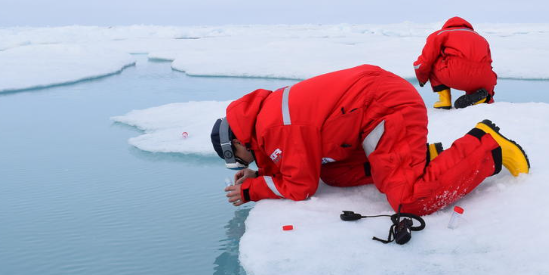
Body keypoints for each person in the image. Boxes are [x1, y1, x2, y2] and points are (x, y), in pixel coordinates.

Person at [212, 64, 529, 216]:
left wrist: (251, 190)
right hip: (368, 108)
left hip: (384, 107)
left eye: (237, 159)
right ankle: (425, 158)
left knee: (409, 200)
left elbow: (300, 186)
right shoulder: (264, 118)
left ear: (237, 143)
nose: (241, 163)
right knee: (332, 173)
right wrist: (258, 173)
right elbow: (291, 158)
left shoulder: (275, 126)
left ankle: (487, 147)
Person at [413, 16, 497, 110]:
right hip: (484, 80)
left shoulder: (441, 34)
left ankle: (444, 100)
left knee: (433, 60)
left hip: (456, 74)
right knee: (482, 67)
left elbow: (424, 62)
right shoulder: (481, 38)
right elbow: (488, 64)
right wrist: (490, 92)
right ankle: (483, 98)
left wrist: (422, 78)